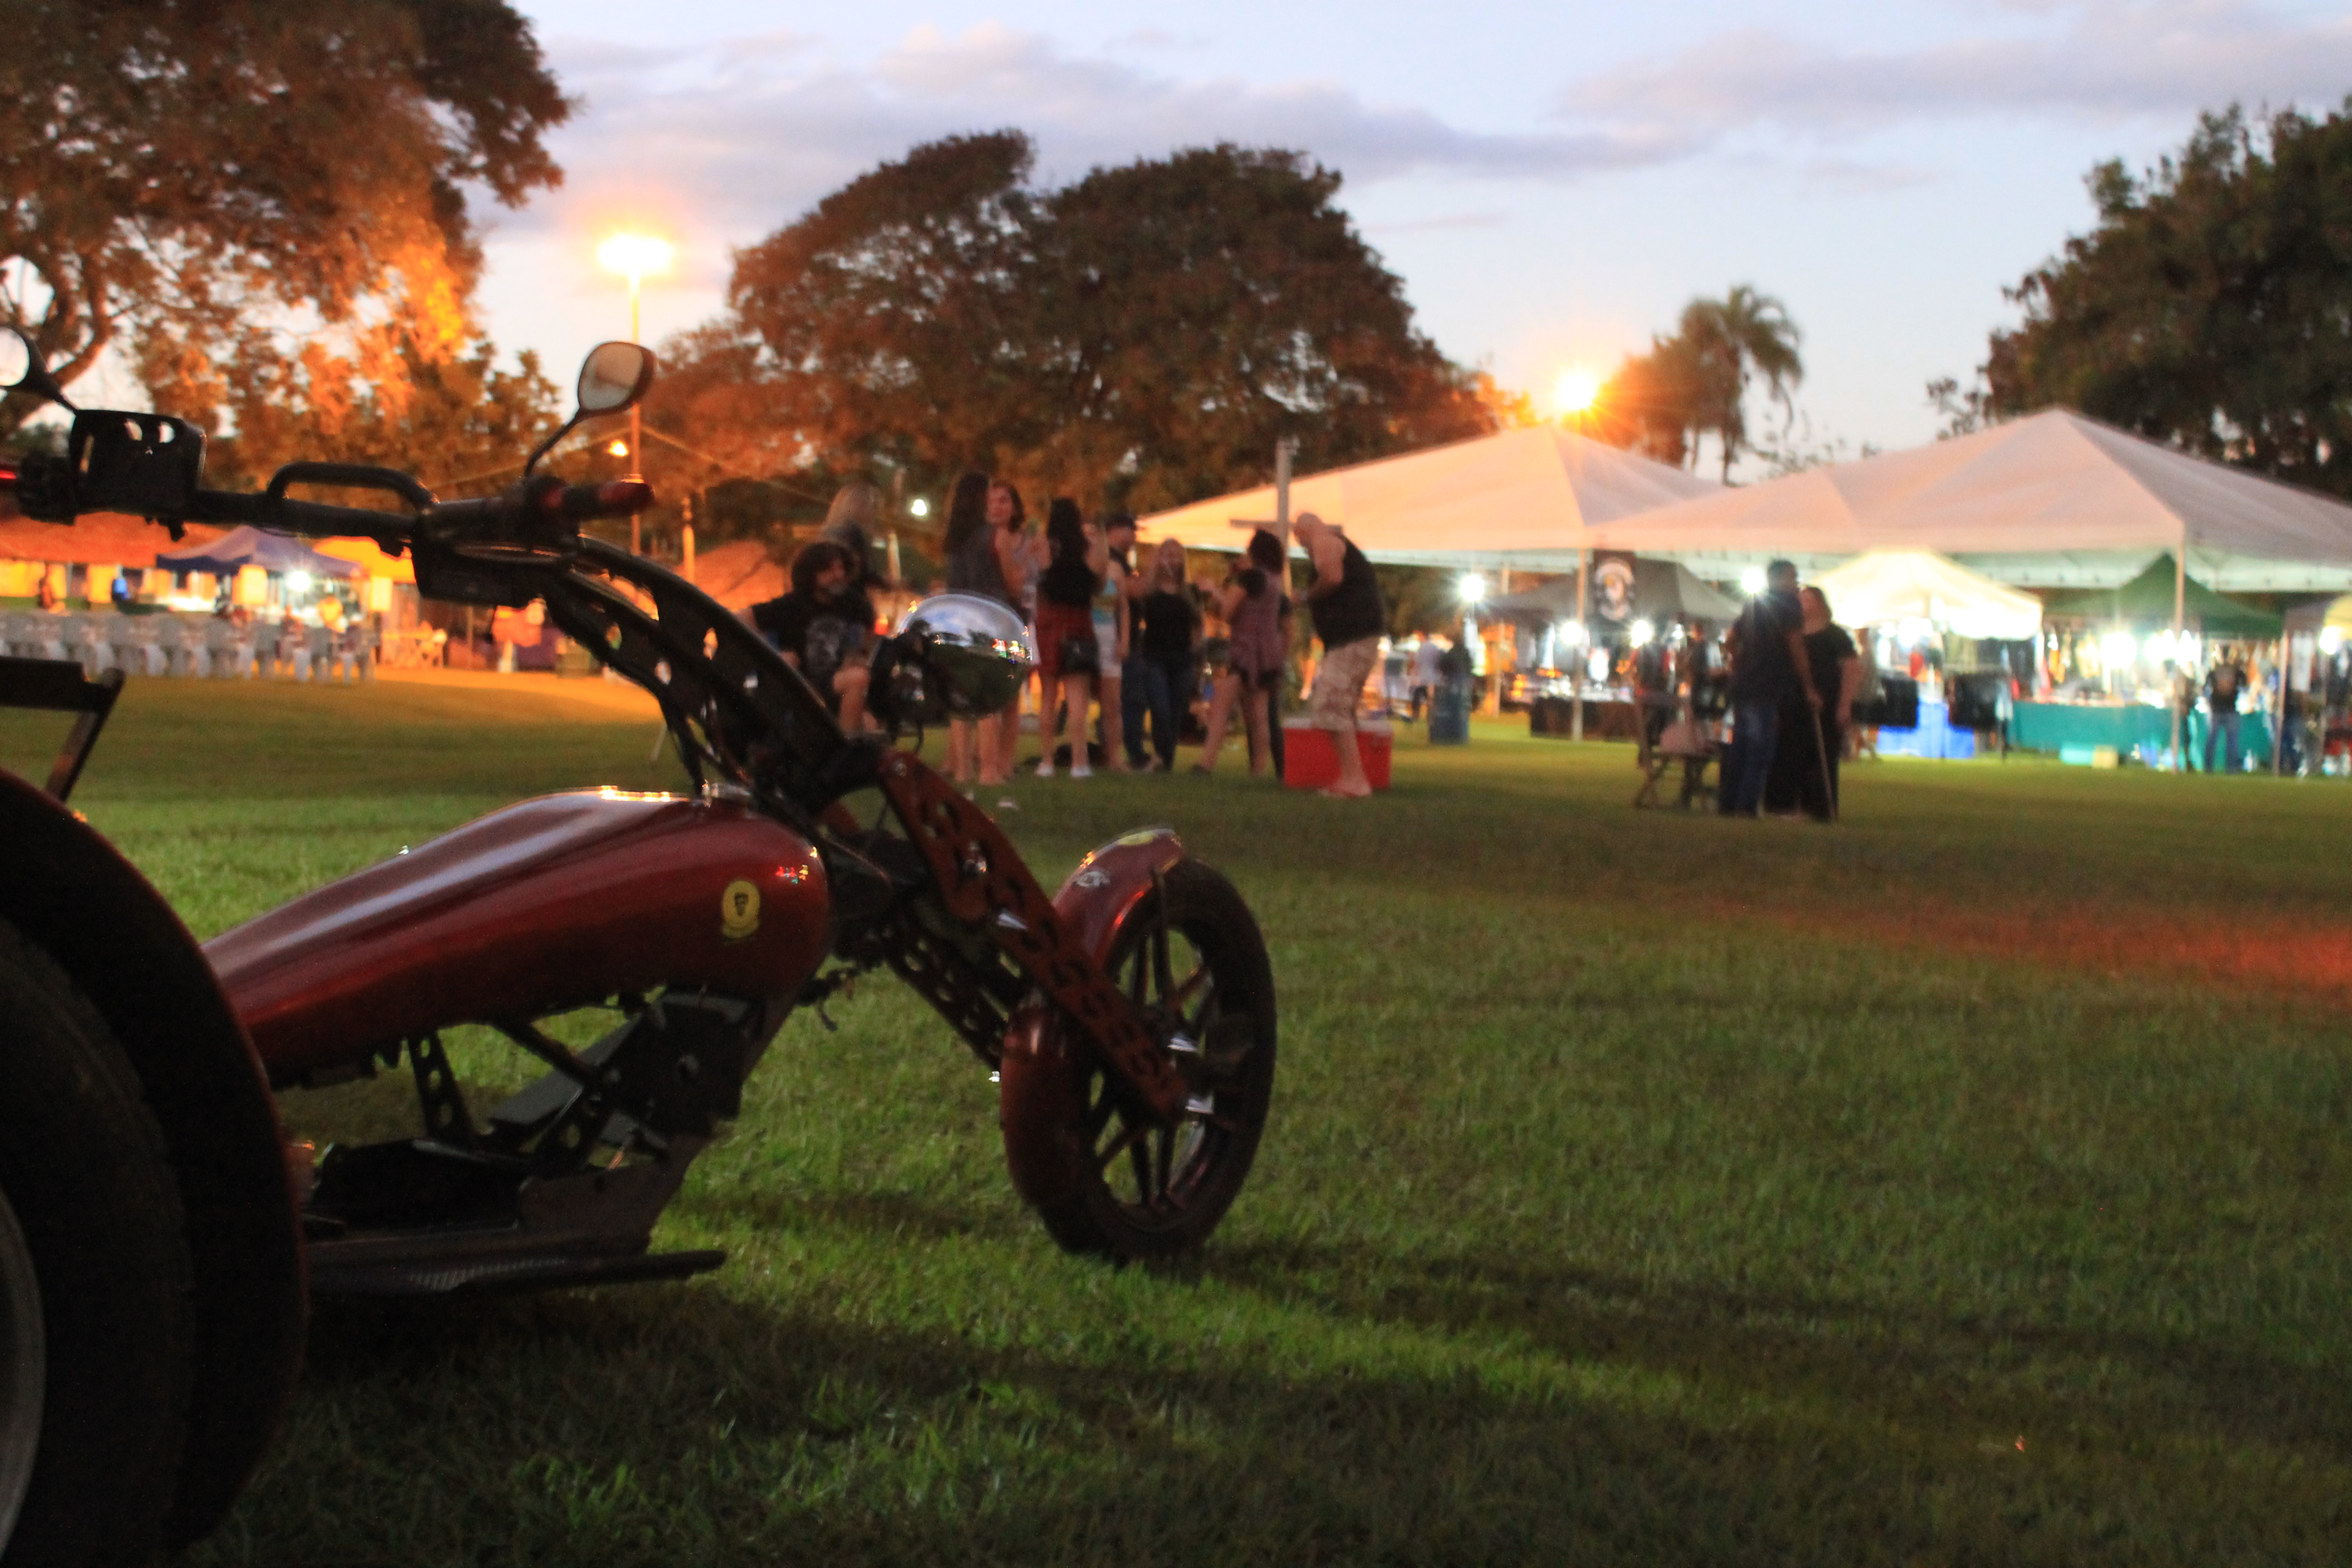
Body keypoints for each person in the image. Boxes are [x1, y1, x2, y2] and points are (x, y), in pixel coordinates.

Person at [1294, 512, 1385, 798]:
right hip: (1353, 638)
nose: (1306, 551)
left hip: (1352, 638)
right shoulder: (1337, 544)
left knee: (1330, 704)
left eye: (1302, 545)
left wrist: (1306, 597)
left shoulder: (1324, 540)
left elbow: (1332, 577)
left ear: (1304, 533)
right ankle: (1354, 776)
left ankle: (1354, 780)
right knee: (1341, 707)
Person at [1718, 559, 1818, 818]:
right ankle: (1746, 806)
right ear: (1778, 579)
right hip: (1767, 684)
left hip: (1744, 682)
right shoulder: (1788, 605)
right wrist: (1808, 684)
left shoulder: (1754, 603)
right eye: (1792, 577)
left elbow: (1730, 640)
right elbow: (1796, 645)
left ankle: (1729, 803)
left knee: (1741, 745)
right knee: (1760, 748)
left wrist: (1740, 662)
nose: (1796, 583)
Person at [1765, 586, 1863, 821]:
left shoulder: (1835, 636)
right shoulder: (1791, 634)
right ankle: (1788, 804)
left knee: (1822, 754)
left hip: (1826, 702)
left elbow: (1852, 668)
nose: (1801, 602)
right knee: (1790, 752)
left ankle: (1820, 806)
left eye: (1807, 599)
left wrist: (1845, 704)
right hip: (1792, 701)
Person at [1196, 530, 1290, 776]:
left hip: (1246, 652)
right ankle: (1258, 769)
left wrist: (1214, 591)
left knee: (1221, 707)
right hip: (1267, 654)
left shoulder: (1250, 579)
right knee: (1259, 717)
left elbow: (1228, 612)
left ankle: (1206, 763)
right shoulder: (1273, 583)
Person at [752, 540, 873, 730]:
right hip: (800, 681)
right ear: (812, 573)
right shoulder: (791, 605)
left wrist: (859, 655)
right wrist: (770, 654)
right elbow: (741, 619)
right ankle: (843, 750)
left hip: (839, 680)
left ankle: (847, 745)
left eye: (841, 569)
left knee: (871, 726)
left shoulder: (854, 604)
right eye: (830, 570)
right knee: (858, 678)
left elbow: (867, 640)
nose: (838, 576)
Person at [940, 471, 1008, 785]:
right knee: (987, 696)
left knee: (961, 695)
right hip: (988, 615)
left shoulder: (952, 537)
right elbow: (1004, 577)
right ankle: (989, 770)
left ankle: (963, 769)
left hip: (957, 615)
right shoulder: (990, 535)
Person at [1032, 498, 1102, 778]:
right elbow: (1098, 583)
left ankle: (1047, 761)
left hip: (1049, 620)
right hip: (1079, 621)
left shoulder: (1044, 545)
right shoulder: (1087, 549)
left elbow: (1038, 582)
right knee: (1077, 699)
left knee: (1048, 697)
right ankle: (1079, 762)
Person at [1128, 538, 1199, 771]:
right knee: (1160, 706)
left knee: (1176, 710)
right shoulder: (1151, 590)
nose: (1171, 561)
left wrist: (1198, 655)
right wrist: (1153, 566)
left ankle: (1165, 759)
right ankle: (1161, 754)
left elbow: (1197, 626)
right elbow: (1136, 593)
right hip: (1155, 656)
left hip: (1182, 657)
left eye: (1176, 556)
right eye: (1167, 555)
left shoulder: (1189, 593)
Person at [1093, 511, 1134, 772]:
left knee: (1112, 703)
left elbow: (1124, 608)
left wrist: (1124, 639)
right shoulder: (1082, 568)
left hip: (1108, 633)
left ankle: (1115, 756)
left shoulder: (1116, 569)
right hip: (1085, 634)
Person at [2205, 651, 2246, 773]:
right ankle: (2228, 769)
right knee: (2227, 741)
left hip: (2223, 709)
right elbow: (2244, 685)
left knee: (2222, 741)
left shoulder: (2214, 673)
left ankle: (2212, 768)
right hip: (2223, 709)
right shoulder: (2216, 673)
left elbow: (2206, 688)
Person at [1408, 634, 1444, 721]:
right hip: (1433, 678)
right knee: (1430, 699)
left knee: (1417, 697)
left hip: (1422, 678)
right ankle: (1430, 716)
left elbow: (1416, 662)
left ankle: (1416, 715)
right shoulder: (1435, 648)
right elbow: (1438, 662)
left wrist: (1412, 674)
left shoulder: (1421, 648)